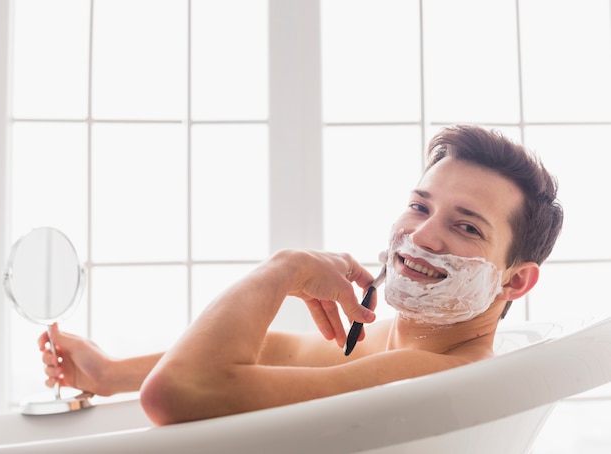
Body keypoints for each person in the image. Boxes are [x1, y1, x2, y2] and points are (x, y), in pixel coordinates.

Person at [39, 124, 563, 425]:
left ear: (514, 281)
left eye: (467, 228)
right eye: (419, 206)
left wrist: (283, 268)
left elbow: (177, 394)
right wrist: (108, 375)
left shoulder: (432, 376)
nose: (423, 236)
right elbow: (277, 351)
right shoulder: (405, 347)